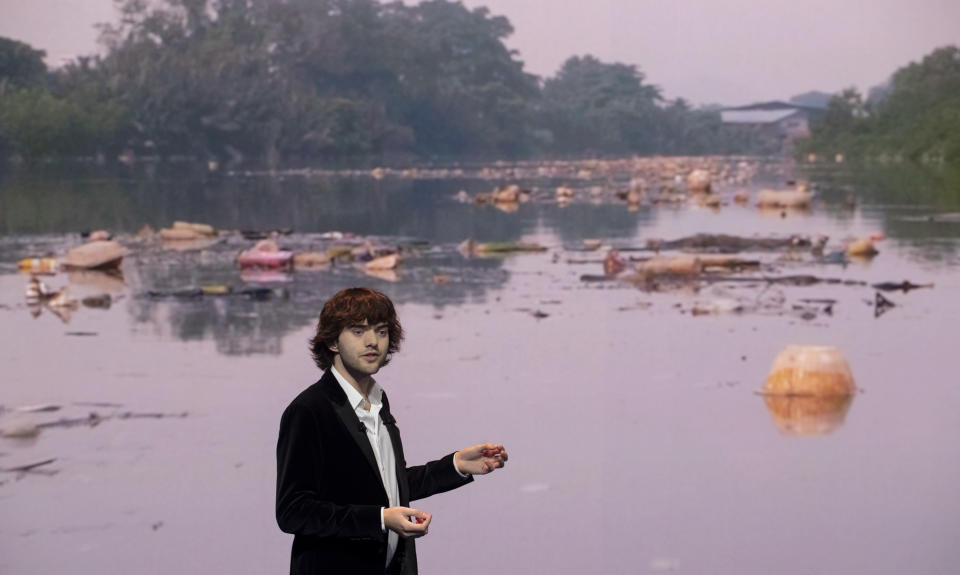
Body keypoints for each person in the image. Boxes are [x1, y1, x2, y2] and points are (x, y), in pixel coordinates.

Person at [276, 287, 507, 575]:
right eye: (358, 331)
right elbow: (293, 512)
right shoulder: (309, 410)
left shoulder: (378, 401)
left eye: (381, 331)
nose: (372, 342)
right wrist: (381, 519)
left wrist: (456, 465)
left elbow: (387, 485)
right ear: (333, 341)